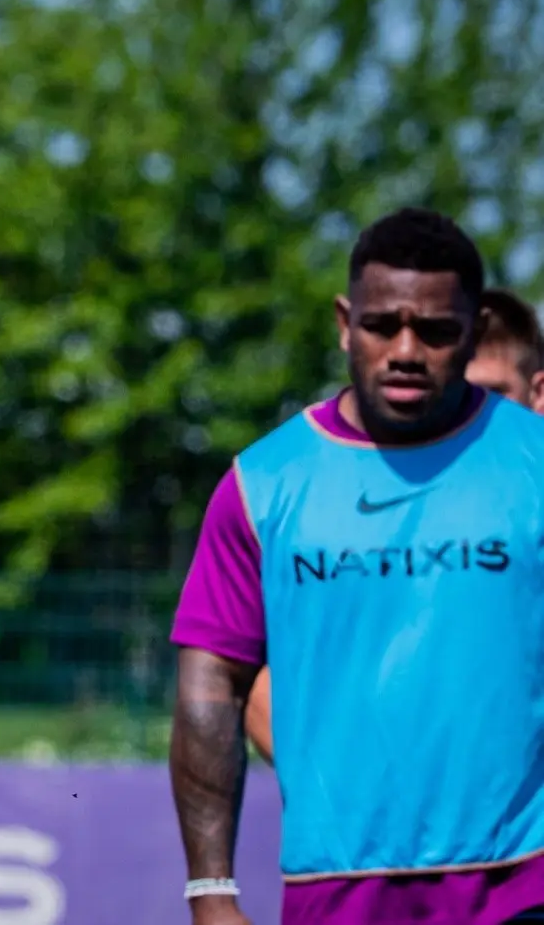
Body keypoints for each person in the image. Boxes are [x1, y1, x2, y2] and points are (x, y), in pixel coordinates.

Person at [169, 207, 544, 925]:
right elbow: (212, 680)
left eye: (435, 330)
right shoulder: (263, 485)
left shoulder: (535, 466)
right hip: (336, 892)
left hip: (522, 887)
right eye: (381, 325)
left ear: (471, 328)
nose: (406, 349)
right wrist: (210, 893)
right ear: (346, 323)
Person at [242, 284, 544, 766]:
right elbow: (246, 668)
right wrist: (341, 788)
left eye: (492, 396)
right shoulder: (342, 517)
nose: (469, 417)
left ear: (538, 395)